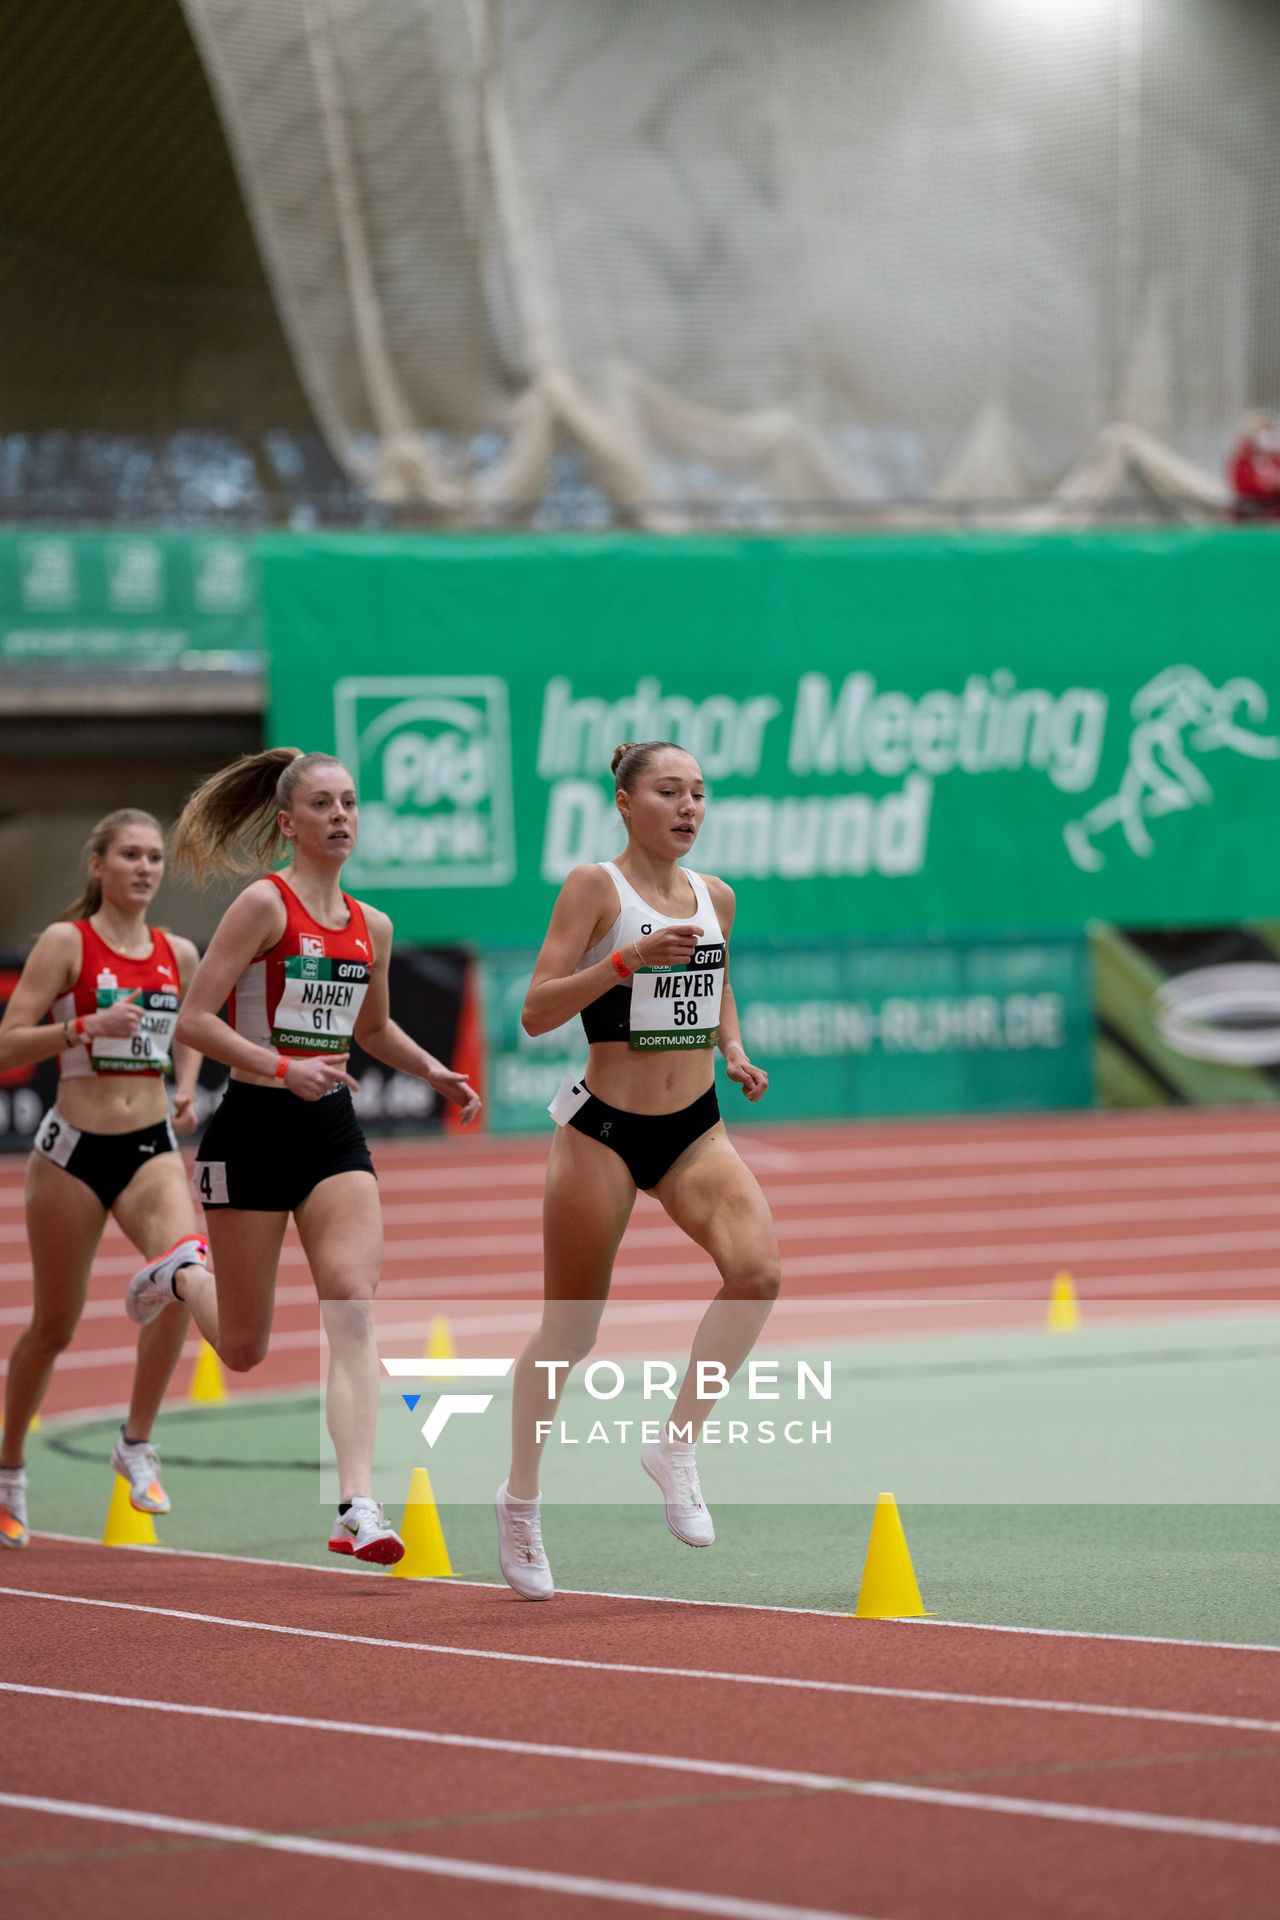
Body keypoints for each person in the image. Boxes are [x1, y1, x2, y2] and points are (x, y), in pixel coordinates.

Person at [124, 748, 481, 1564]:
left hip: (331, 1134)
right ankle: (181, 1270)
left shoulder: (371, 926)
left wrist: (433, 1071)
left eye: (351, 802)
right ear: (289, 822)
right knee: (244, 1348)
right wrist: (283, 1067)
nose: (342, 816)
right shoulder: (264, 905)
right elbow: (192, 1019)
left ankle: (358, 1501)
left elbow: (372, 1029)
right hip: (250, 1126)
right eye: (323, 804)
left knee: (351, 1301)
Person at [495, 740, 779, 1601]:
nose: (688, 807)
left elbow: (716, 976)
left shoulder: (715, 895)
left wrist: (732, 1047)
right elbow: (537, 1009)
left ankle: (676, 1444)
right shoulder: (594, 888)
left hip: (694, 1127)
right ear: (625, 802)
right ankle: (520, 1500)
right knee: (571, 1332)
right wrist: (623, 962)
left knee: (758, 1273)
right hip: (604, 1131)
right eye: (669, 791)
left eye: (699, 793)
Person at [0, 809, 209, 1548]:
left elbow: (192, 1027)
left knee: (187, 1273)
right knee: (54, 1326)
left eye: (154, 856)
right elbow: (6, 1046)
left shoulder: (177, 952)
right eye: (130, 855)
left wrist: (186, 1085)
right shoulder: (67, 944)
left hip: (149, 1146)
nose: (145, 867)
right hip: (72, 1151)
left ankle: (136, 1442)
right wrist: (82, 1028)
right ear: (98, 865)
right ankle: (8, 1469)